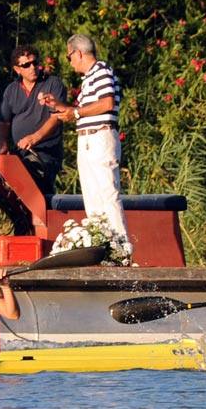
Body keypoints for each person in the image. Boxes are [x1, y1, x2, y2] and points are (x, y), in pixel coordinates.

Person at [39, 33, 131, 258]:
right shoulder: (90, 77)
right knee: (92, 197)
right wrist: (60, 106)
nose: (69, 62)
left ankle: (121, 248)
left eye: (69, 56)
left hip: (99, 137)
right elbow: (86, 109)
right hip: (88, 138)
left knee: (107, 193)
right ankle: (103, 247)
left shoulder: (101, 71)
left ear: (78, 53)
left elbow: (106, 103)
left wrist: (76, 112)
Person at [0, 44, 68, 198]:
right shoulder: (11, 90)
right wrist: (3, 146)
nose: (32, 67)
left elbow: (57, 117)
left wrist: (35, 137)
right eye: (26, 65)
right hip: (20, 153)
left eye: (35, 63)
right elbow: (4, 121)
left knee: (31, 179)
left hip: (45, 153)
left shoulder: (52, 84)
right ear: (17, 69)